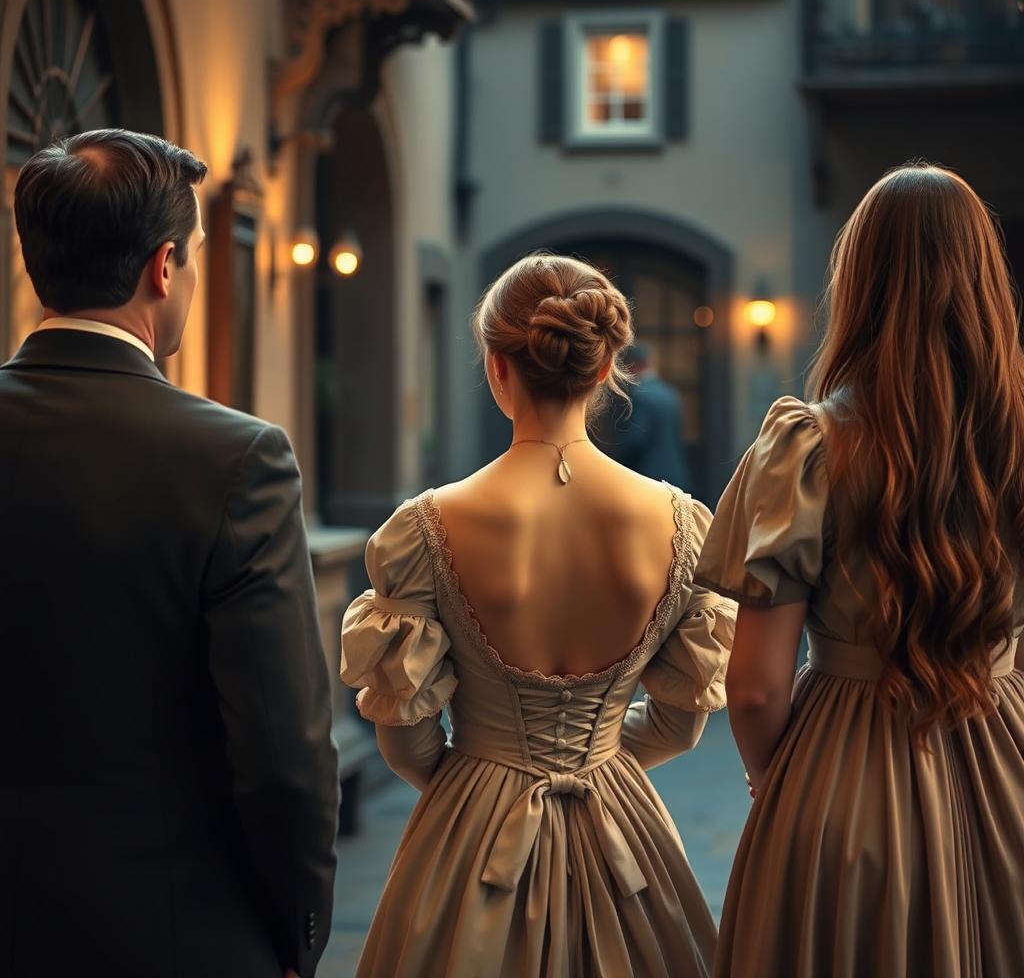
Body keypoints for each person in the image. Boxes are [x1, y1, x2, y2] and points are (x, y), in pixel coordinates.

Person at [0, 129, 339, 978]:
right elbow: (284, 757)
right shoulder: (236, 459)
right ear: (164, 267)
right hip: (171, 932)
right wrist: (298, 933)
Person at [341, 254, 736, 977]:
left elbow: (405, 744)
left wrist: (482, 781)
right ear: (605, 368)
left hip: (472, 829)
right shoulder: (681, 523)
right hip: (620, 823)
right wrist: (599, 762)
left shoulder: (423, 528)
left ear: (497, 366)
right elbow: (681, 724)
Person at [694, 165, 1024, 976]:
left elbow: (758, 687)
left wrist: (781, 782)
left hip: (845, 776)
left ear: (861, 284)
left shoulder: (809, 448)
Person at [605, 342, 691, 491]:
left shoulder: (640, 396)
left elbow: (636, 440)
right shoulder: (670, 394)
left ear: (632, 365)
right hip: (676, 474)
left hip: (648, 477)